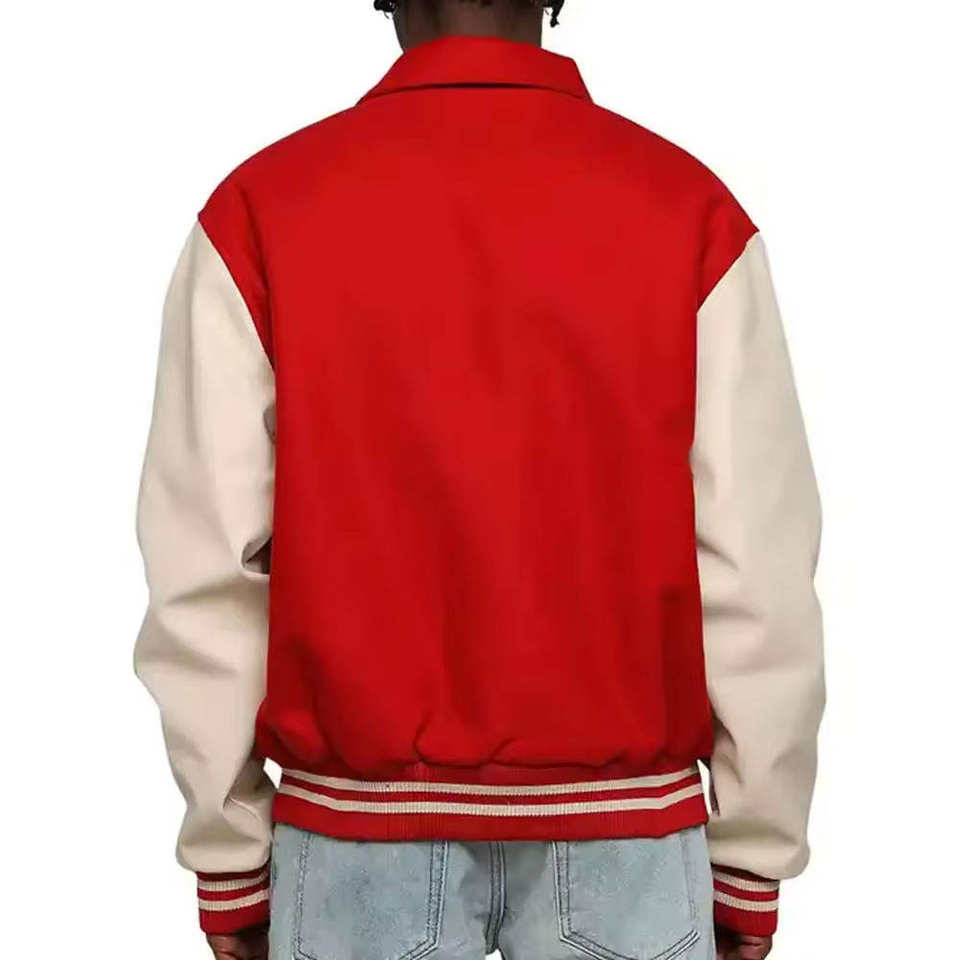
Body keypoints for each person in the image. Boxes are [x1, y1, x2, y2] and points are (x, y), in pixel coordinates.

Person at [134, 2, 825, 959]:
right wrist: (754, 846)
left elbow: (205, 567)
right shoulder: (689, 211)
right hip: (628, 829)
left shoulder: (261, 210)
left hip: (357, 830)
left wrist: (229, 849)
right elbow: (756, 568)